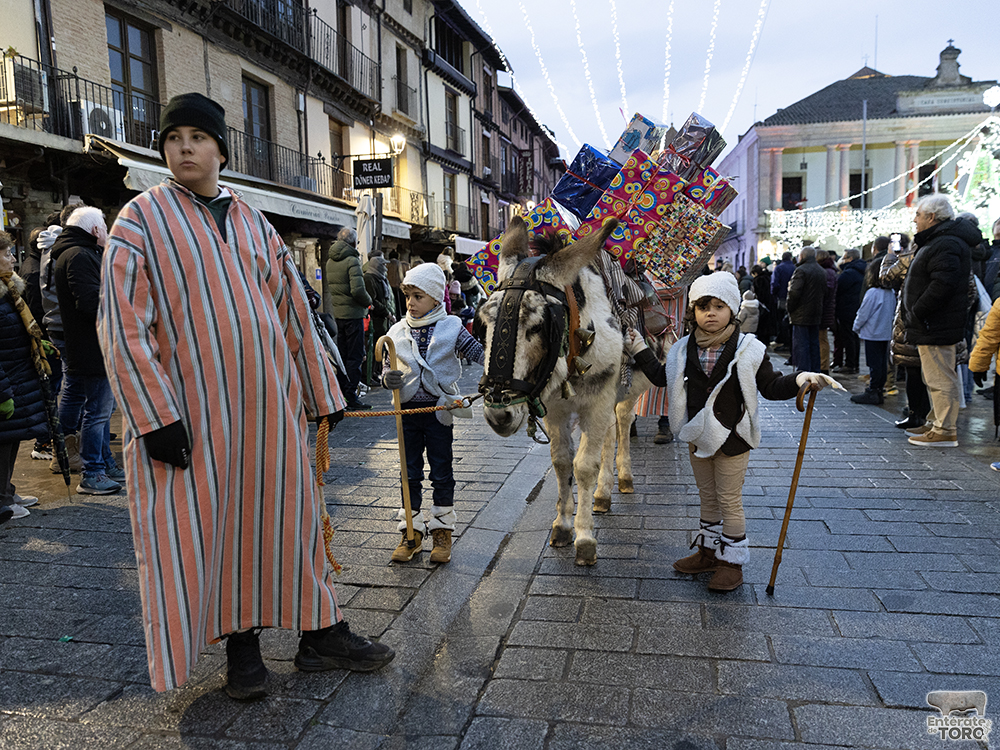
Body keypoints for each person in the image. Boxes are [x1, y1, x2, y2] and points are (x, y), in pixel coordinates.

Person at [98, 92, 394, 699]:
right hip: (196, 414)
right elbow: (122, 324)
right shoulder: (140, 219)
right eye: (174, 136)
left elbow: (292, 311)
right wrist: (155, 418)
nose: (184, 146)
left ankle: (320, 632)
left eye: (197, 137)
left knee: (291, 519)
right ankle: (244, 651)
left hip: (270, 410)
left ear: (220, 151)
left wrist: (322, 391)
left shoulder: (255, 221)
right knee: (220, 526)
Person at [625, 272, 837, 591]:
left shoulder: (749, 349)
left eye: (719, 306)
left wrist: (801, 379)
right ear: (693, 311)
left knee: (729, 500)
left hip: (734, 438)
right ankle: (708, 553)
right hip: (698, 437)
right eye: (703, 306)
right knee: (708, 499)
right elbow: (659, 377)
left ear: (733, 309)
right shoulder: (683, 350)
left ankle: (732, 562)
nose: (710, 313)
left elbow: (769, 385)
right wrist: (639, 346)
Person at [381, 263, 485, 564]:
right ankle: (410, 532)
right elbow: (386, 365)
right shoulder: (396, 331)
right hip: (407, 413)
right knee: (408, 473)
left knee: (441, 471)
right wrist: (388, 379)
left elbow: (478, 353)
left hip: (440, 410)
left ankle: (442, 531)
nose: (411, 303)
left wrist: (495, 370)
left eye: (418, 297)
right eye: (408, 296)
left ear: (436, 299)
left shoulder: (452, 326)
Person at [51, 206, 125, 495]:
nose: (107, 232)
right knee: (98, 412)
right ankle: (92, 471)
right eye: (105, 227)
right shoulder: (80, 256)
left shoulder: (77, 253)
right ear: (95, 231)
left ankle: (104, 463)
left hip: (87, 345)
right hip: (93, 346)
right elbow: (92, 302)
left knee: (98, 410)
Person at [901, 194, 979, 447]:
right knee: (934, 376)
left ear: (931, 217)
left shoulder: (945, 243)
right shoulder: (942, 240)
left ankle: (945, 430)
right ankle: (936, 421)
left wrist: (917, 311)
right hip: (932, 323)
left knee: (940, 377)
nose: (915, 220)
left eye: (918, 215)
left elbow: (942, 284)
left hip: (935, 323)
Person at [0, 231, 48, 524]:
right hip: (6, 380)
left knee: (12, 440)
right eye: (5, 254)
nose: (11, 258)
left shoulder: (8, 289)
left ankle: (7, 490)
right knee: (2, 444)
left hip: (17, 377)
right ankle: (2, 501)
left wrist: (37, 344)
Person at [880, 233, 930, 429]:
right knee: (931, 372)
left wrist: (891, 256)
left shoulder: (911, 259)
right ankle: (926, 414)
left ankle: (916, 414)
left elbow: (885, 277)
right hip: (935, 323)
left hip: (911, 321)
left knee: (915, 371)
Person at [325, 226, 372, 410]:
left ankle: (341, 394)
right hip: (353, 314)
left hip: (339, 314)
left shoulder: (331, 260)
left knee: (343, 355)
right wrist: (368, 302)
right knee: (355, 356)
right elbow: (358, 290)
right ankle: (351, 396)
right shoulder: (352, 260)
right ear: (353, 242)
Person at [850, 261, 896, 405]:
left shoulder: (873, 293)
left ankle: (874, 390)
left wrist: (856, 326)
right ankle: (878, 389)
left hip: (872, 332)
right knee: (881, 363)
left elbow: (864, 313)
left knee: (874, 363)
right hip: (885, 332)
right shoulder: (891, 292)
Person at [785, 246, 827, 373]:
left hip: (801, 314)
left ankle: (803, 372)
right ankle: (815, 371)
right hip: (816, 312)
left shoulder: (801, 270)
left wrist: (790, 308)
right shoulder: (821, 270)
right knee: (814, 344)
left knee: (801, 345)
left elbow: (794, 293)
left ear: (802, 256)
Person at [363, 252, 396, 386]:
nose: (385, 267)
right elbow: (373, 300)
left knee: (381, 348)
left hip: (383, 320)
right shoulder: (369, 278)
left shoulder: (382, 278)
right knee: (372, 348)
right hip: (375, 320)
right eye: (383, 265)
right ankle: (368, 375)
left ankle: (376, 373)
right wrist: (386, 312)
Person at [833, 248, 866, 374]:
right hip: (854, 307)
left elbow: (838, 287)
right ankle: (853, 364)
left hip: (846, 308)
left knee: (848, 337)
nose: (842, 259)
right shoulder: (860, 270)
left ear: (850, 259)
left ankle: (850, 365)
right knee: (853, 337)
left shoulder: (849, 273)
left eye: (844, 257)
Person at [816, 249, 838, 373]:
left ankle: (823, 366)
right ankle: (822, 364)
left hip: (825, 309)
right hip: (826, 308)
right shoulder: (829, 271)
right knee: (821, 338)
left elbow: (826, 291)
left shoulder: (827, 272)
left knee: (822, 338)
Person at [770, 251, 796, 350]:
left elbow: (775, 283)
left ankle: (784, 341)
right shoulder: (794, 268)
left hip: (781, 297)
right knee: (789, 320)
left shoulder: (779, 268)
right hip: (792, 297)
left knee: (782, 320)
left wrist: (774, 295)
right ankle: (789, 342)